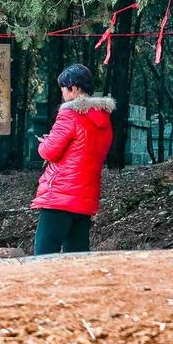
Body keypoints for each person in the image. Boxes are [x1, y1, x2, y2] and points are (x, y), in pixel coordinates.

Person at [31, 64, 115, 254]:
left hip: (60, 195)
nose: (62, 92)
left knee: (44, 254)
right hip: (85, 197)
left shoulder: (70, 114)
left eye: (63, 87)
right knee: (77, 256)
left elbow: (49, 152)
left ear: (74, 87)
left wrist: (43, 144)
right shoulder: (104, 119)